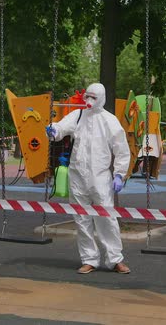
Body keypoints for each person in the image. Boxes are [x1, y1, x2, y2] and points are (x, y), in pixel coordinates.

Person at [47, 83, 131, 274]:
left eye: (93, 98)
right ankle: (89, 259)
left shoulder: (110, 121)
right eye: (87, 97)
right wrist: (53, 130)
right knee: (81, 219)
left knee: (107, 219)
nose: (89, 101)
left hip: (100, 177)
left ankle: (115, 259)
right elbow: (61, 128)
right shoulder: (77, 115)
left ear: (101, 98)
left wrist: (119, 174)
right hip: (77, 176)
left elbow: (122, 150)